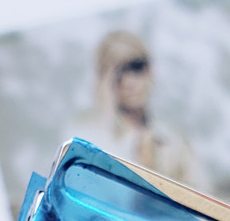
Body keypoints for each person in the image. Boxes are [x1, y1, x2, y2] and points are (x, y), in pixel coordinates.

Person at [75, 30, 207, 189]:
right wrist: (107, 109)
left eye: (136, 67)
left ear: (149, 70)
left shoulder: (173, 141)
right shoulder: (91, 139)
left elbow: (201, 195)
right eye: (118, 74)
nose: (128, 82)